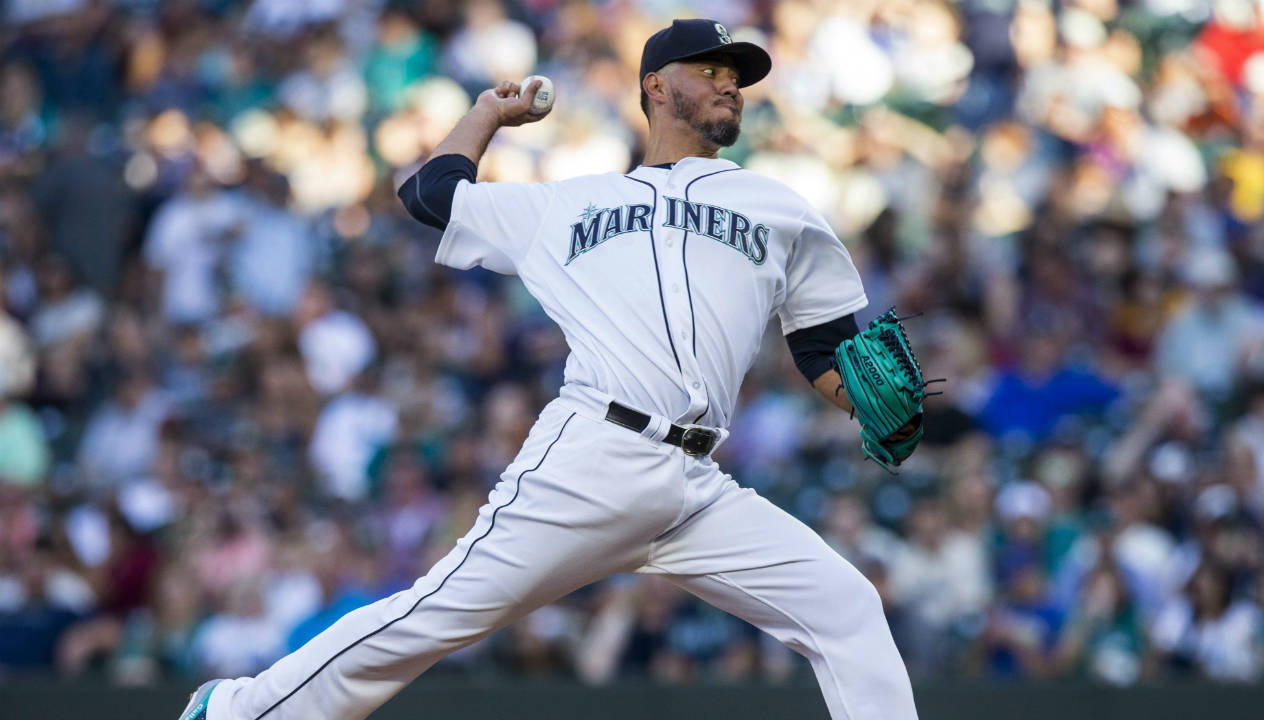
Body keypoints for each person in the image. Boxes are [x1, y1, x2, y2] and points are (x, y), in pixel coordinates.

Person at [178, 19, 918, 720]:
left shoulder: (776, 206)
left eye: (737, 76)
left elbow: (822, 347)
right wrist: (485, 116)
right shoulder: (571, 203)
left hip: (697, 487)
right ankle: (239, 709)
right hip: (592, 458)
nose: (731, 85)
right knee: (438, 614)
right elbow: (431, 194)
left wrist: (862, 401)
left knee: (844, 607)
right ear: (656, 85)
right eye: (712, 70)